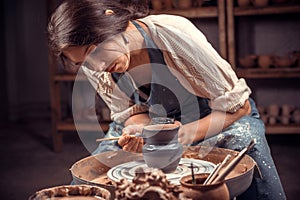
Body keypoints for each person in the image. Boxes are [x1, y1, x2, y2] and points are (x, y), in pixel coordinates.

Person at [47, 0, 286, 199]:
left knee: (244, 142)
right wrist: (143, 131)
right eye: (84, 62)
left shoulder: (173, 33)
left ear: (110, 20)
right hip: (156, 121)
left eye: (94, 51)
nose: (96, 65)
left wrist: (180, 135)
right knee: (94, 172)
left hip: (218, 115)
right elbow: (130, 114)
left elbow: (239, 106)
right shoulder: (96, 66)